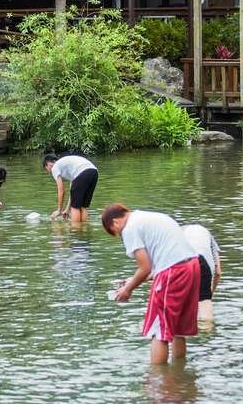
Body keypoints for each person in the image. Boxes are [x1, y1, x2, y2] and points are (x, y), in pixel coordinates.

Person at [102, 203, 201, 365]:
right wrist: (131, 280)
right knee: (178, 330)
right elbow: (159, 262)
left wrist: (128, 289)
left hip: (173, 271)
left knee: (158, 330)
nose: (121, 236)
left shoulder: (129, 228)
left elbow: (145, 267)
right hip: (192, 266)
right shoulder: (148, 217)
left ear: (115, 223)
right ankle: (180, 376)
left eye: (116, 234)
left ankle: (157, 382)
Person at [182, 222, 222, 321]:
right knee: (205, 305)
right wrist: (209, 293)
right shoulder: (209, 236)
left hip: (184, 263)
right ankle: (206, 333)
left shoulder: (178, 233)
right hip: (205, 265)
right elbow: (218, 272)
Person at [43, 153, 98, 222]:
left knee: (75, 208)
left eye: (47, 169)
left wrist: (59, 210)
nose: (49, 171)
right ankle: (84, 229)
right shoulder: (68, 166)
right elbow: (72, 192)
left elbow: (61, 190)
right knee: (83, 207)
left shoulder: (55, 167)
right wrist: (66, 209)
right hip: (94, 172)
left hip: (83, 173)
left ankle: (75, 230)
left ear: (47, 164)